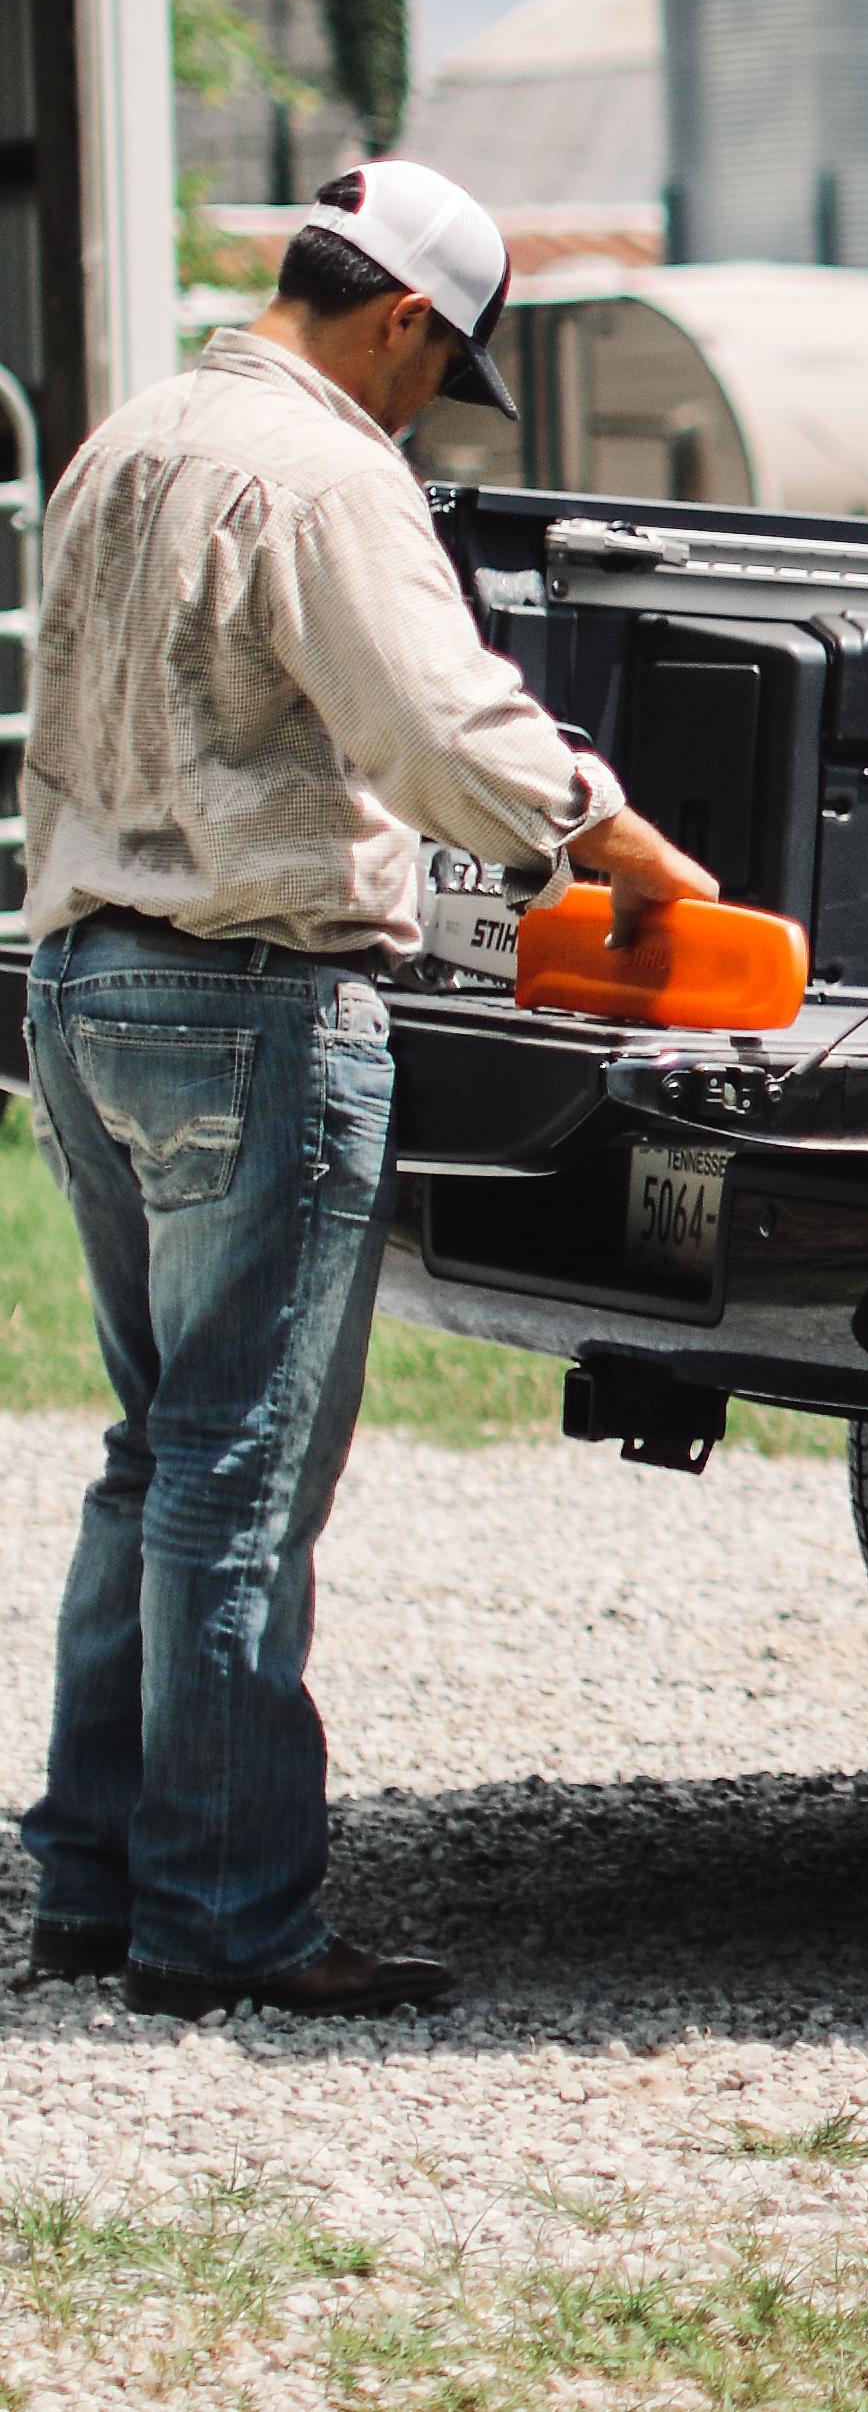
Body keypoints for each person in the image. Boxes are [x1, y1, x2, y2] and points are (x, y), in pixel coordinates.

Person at [14, 163, 715, 2018]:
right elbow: (438, 724)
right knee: (239, 1473)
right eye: (442, 368)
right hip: (252, 994)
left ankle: (89, 1883)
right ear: (403, 318)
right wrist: (626, 847)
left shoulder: (126, 440)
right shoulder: (331, 472)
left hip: (83, 983)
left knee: (153, 1449)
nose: (432, 407)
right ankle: (226, 1922)